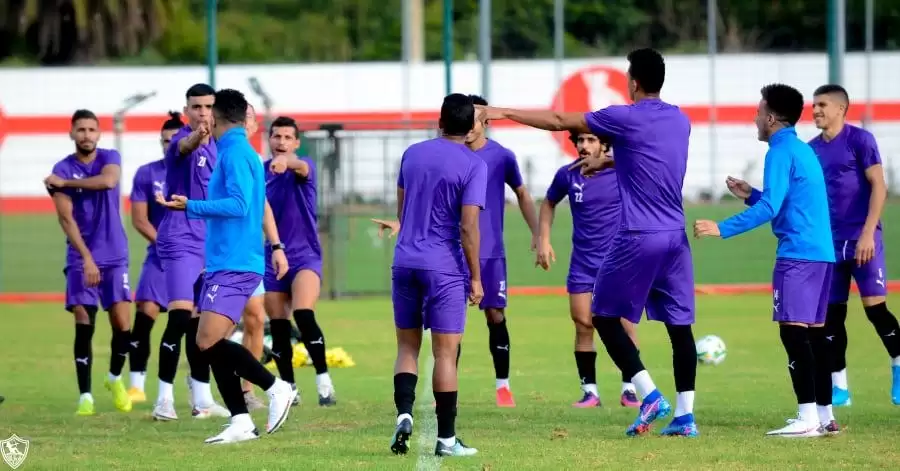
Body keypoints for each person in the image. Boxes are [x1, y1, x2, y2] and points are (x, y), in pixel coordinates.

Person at [477, 48, 698, 437]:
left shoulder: (623, 116)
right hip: (676, 238)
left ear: (633, 82)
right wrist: (610, 162)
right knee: (680, 328)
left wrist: (504, 113)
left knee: (602, 317)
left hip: (638, 236)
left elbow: (561, 119)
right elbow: (652, 157)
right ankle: (685, 416)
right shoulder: (680, 120)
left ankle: (647, 394)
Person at [695, 83, 839, 437]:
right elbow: (787, 202)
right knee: (816, 338)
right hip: (821, 255)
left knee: (793, 335)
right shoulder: (802, 150)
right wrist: (750, 195)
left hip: (798, 255)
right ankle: (824, 416)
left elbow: (772, 208)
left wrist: (721, 227)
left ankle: (806, 419)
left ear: (771, 118)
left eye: (759, 112)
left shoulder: (779, 151)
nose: (755, 117)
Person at [157, 88, 296, 444]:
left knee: (206, 341)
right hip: (228, 261)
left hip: (234, 262)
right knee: (208, 341)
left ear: (217, 117)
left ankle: (275, 386)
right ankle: (241, 420)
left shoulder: (234, 154)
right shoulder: (240, 152)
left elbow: (237, 205)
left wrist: (191, 206)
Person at [380, 93, 484, 457]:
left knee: (407, 346)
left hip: (405, 260)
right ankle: (446, 440)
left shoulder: (412, 154)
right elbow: (469, 227)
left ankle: (404, 414)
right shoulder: (474, 165)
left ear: (439, 122)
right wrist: (475, 277)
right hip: (444, 266)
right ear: (472, 128)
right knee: (444, 353)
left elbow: (403, 209)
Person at [807, 84, 900, 407]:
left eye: (821, 105)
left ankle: (898, 366)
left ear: (840, 109)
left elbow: (880, 187)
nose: (815, 110)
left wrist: (867, 232)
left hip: (863, 240)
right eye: (813, 105)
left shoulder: (860, 140)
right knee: (832, 317)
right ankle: (840, 387)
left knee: (876, 310)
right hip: (828, 246)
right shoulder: (811, 149)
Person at [538, 130, 640, 408]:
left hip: (619, 262)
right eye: (580, 140)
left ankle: (630, 388)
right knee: (584, 323)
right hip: (583, 263)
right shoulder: (567, 175)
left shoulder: (621, 170)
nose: (583, 145)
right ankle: (590, 391)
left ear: (604, 144)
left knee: (625, 324)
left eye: (591, 140)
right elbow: (548, 203)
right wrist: (543, 240)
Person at [44, 109, 134, 416]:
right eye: (80, 129)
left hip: (115, 254)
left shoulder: (109, 157)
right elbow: (65, 219)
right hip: (81, 257)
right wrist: (86, 259)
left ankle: (114, 378)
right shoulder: (61, 166)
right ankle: (85, 396)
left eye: (92, 129)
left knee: (123, 325)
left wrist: (65, 183)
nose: (86, 135)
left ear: (99, 133)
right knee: (84, 322)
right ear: (72, 133)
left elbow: (109, 183)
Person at [456, 95, 538, 407]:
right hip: (455, 249)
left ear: (486, 121)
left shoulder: (501, 156)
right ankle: (446, 386)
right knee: (452, 321)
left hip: (491, 251)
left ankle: (503, 386)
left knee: (495, 315)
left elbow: (521, 192)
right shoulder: (452, 155)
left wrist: (538, 233)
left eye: (473, 119)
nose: (467, 126)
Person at [152, 83, 229, 421]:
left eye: (208, 106)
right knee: (180, 316)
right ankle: (163, 399)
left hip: (210, 243)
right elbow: (186, 145)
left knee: (202, 324)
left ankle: (202, 398)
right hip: (179, 238)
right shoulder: (179, 143)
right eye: (196, 107)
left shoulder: (224, 150)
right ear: (187, 111)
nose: (202, 113)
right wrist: (196, 136)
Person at [262, 116, 338, 408]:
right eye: (276, 136)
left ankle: (324, 381)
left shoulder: (304, 166)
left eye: (287, 137)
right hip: (272, 256)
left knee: (304, 315)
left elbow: (299, 166)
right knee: (279, 326)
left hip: (305, 255)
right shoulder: (260, 172)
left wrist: (287, 163)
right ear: (269, 140)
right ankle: (289, 388)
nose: (281, 142)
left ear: (295, 142)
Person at [127, 111, 183, 403]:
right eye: (164, 141)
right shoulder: (147, 173)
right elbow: (139, 219)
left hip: (192, 256)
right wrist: (163, 242)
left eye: (174, 140)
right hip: (160, 255)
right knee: (145, 313)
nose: (168, 145)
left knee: (189, 322)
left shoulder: (197, 172)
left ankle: (195, 389)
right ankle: (136, 384)